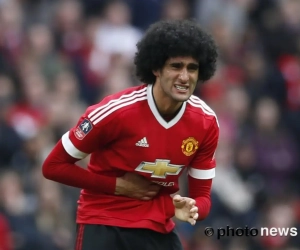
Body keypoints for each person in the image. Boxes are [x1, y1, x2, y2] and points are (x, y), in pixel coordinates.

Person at [42, 19, 219, 250]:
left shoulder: (206, 122)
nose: (185, 77)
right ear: (156, 68)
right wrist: (118, 186)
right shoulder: (115, 112)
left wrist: (191, 207)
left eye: (192, 68)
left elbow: (202, 199)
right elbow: (53, 166)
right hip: (103, 222)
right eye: (176, 66)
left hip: (157, 227)